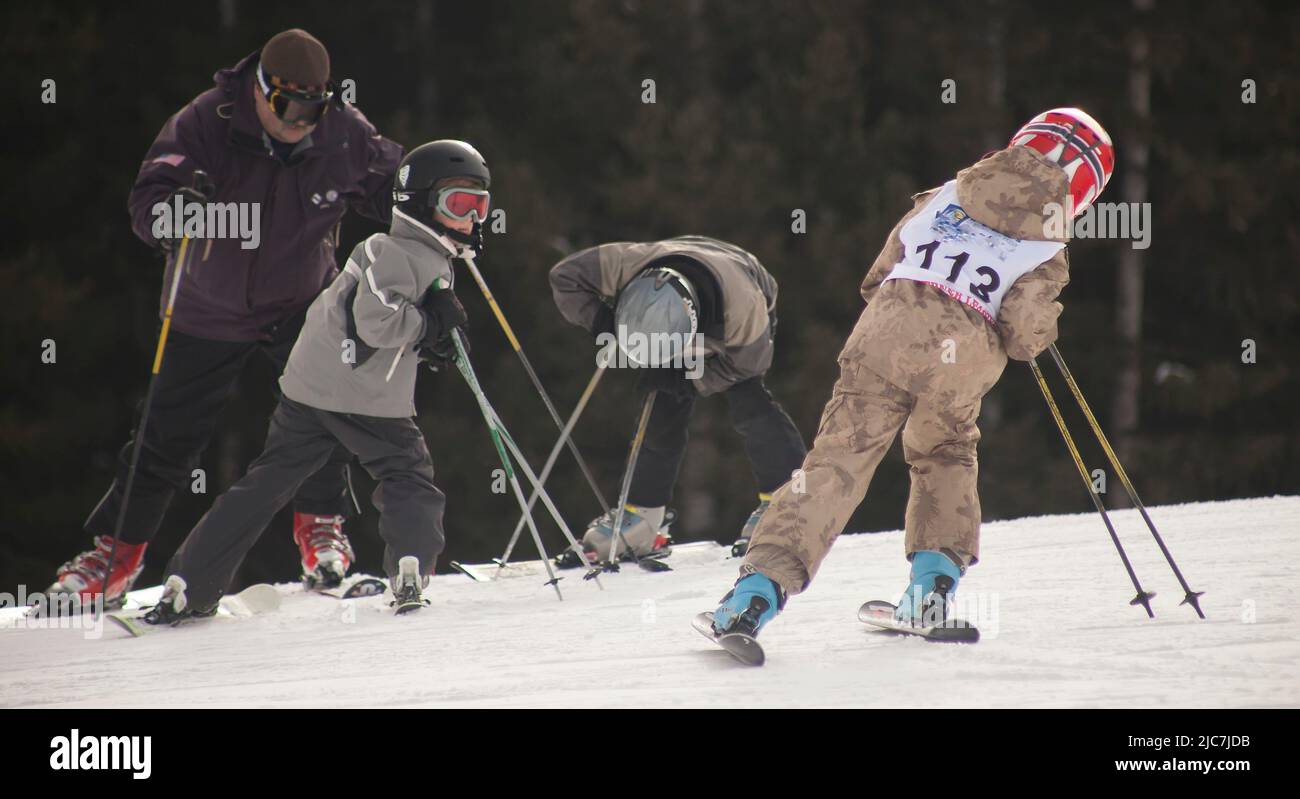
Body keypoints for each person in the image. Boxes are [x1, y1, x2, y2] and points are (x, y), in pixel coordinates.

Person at [710, 108, 1116, 637]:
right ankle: (929, 592)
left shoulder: (947, 193)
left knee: (836, 463)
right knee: (946, 455)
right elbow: (1023, 335)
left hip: (887, 333)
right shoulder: (1049, 246)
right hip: (962, 361)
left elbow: (879, 274)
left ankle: (755, 594)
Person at [49, 29, 403, 606]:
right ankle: (117, 553)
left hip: (299, 298)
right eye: (290, 107)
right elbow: (148, 203)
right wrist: (177, 210)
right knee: (167, 433)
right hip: (207, 303)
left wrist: (438, 197)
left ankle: (319, 526)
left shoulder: (343, 133)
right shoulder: (205, 122)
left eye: (315, 108)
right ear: (262, 91)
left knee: (327, 409)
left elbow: (395, 184)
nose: (301, 122)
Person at [141, 140, 490, 622]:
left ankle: (190, 582)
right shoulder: (394, 250)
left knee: (268, 483)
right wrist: (430, 326)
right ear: (420, 202)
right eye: (459, 204)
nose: (472, 217)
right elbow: (375, 323)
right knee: (407, 475)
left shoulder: (404, 252)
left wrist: (430, 340)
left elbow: (369, 319)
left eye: (480, 205)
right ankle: (410, 567)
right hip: (365, 399)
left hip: (309, 389)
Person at [549, 236, 808, 562]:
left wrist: (690, 380)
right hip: (673, 281)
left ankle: (786, 505)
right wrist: (607, 323)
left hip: (744, 283)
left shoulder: (743, 311)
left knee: (748, 398)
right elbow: (565, 278)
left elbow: (747, 364)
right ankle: (641, 515)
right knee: (660, 399)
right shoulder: (626, 264)